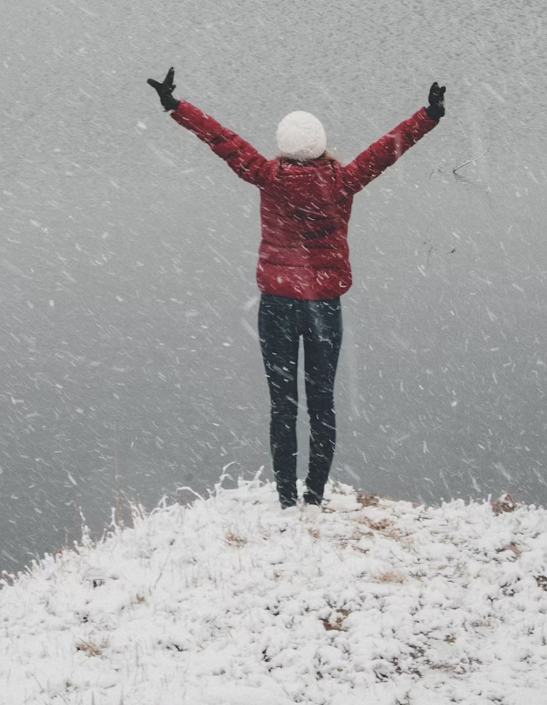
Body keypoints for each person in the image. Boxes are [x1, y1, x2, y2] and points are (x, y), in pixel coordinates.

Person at [147, 68, 445, 509]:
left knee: (282, 405)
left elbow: (224, 142)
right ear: (321, 145)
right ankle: (315, 495)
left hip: (278, 305)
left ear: (284, 145)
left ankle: (287, 498)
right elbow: (386, 151)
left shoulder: (267, 175)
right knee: (322, 403)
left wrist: (177, 107)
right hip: (323, 306)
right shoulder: (343, 180)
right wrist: (429, 115)